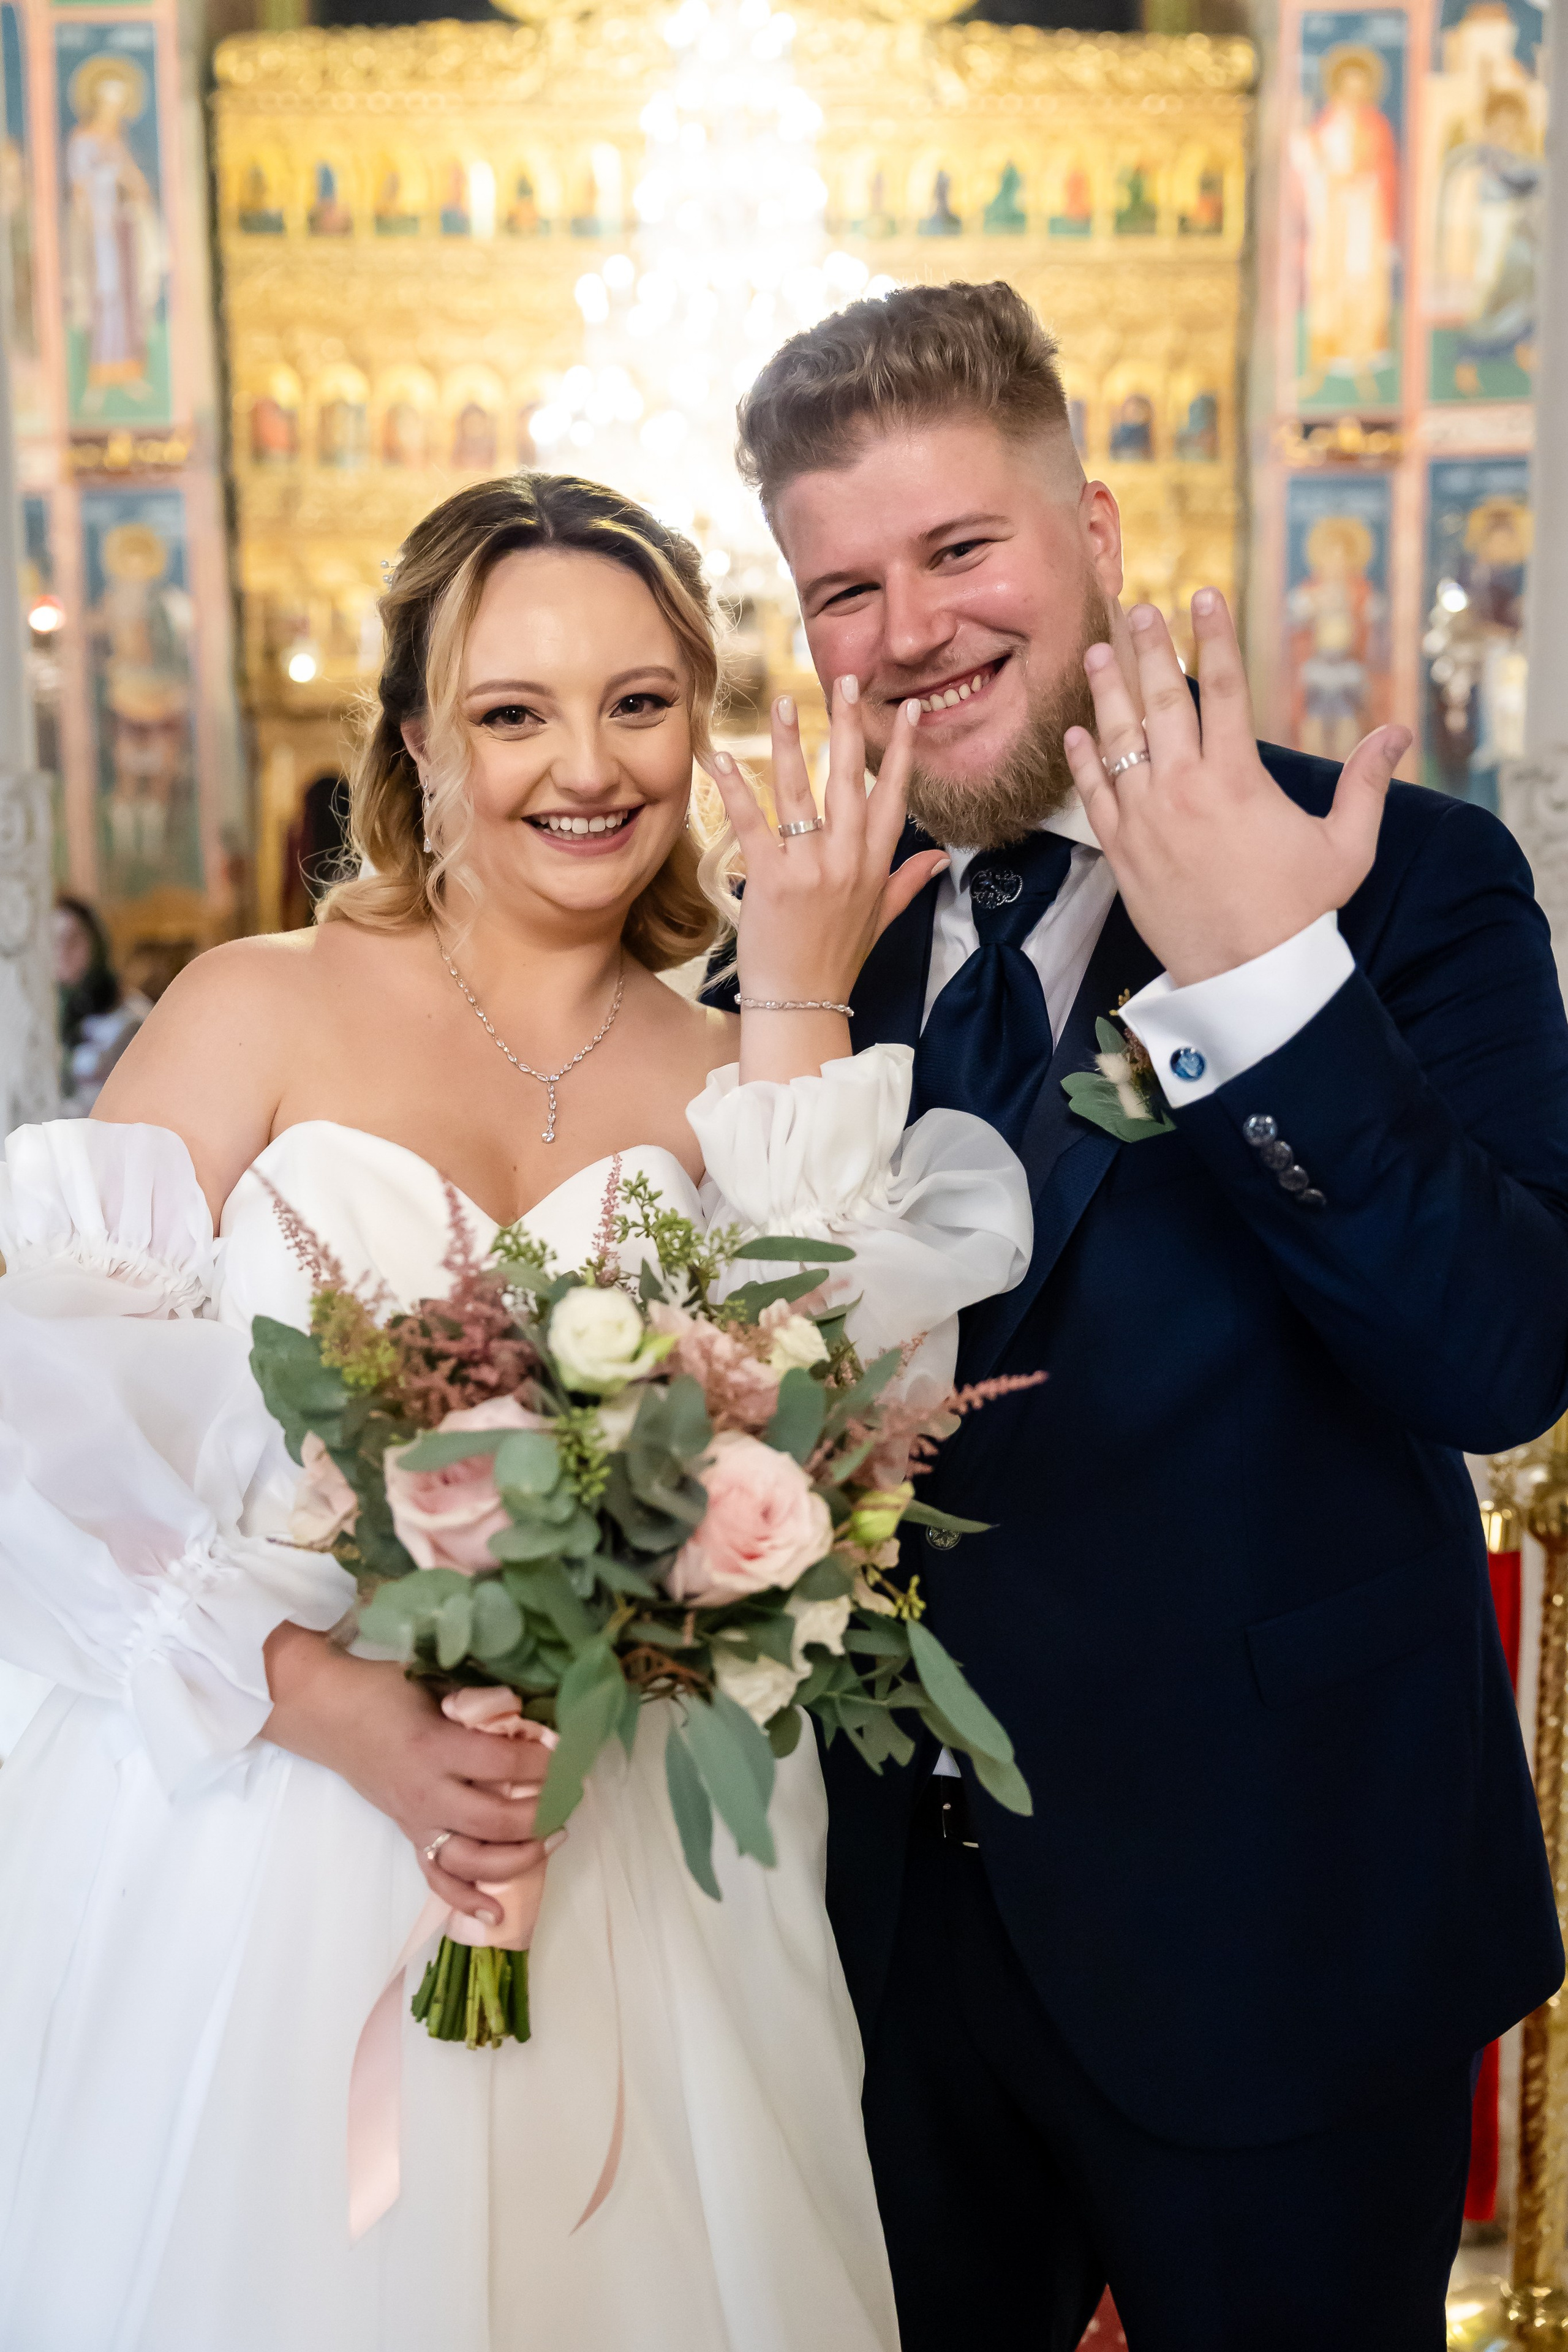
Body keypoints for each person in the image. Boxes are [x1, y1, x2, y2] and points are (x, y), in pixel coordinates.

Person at [0, 472, 1031, 2348]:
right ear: (417, 741)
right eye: (513, 710)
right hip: (268, 1838)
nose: (589, 766)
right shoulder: (253, 1008)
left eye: (641, 703)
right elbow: (43, 1435)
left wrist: (799, 1003)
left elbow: (844, 1439)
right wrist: (334, 1707)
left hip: (637, 1868)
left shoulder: (738, 1066)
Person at [715, 279, 1568, 2350]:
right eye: (845, 591)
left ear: (1093, 529)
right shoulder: (794, 954)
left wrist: (1268, 988)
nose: (910, 631)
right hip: (878, 1953)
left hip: (1278, 1921)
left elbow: (1494, 1358)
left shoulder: (1400, 877)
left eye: (960, 549)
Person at [53, 891, 149, 1114]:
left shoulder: (131, 1017)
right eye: (53, 942)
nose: (63, 952)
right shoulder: (40, 1019)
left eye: (73, 940)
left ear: (95, 944)